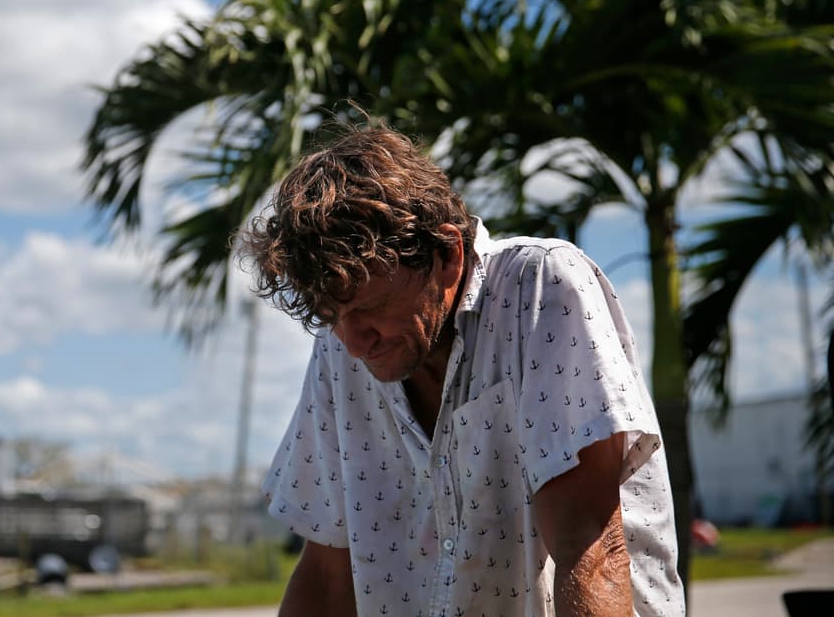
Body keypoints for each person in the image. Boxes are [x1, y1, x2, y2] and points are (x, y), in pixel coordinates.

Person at [241, 123, 683, 617]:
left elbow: (590, 543)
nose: (354, 341)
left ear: (448, 254)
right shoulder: (339, 348)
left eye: (372, 307)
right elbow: (327, 575)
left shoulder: (540, 290)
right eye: (329, 314)